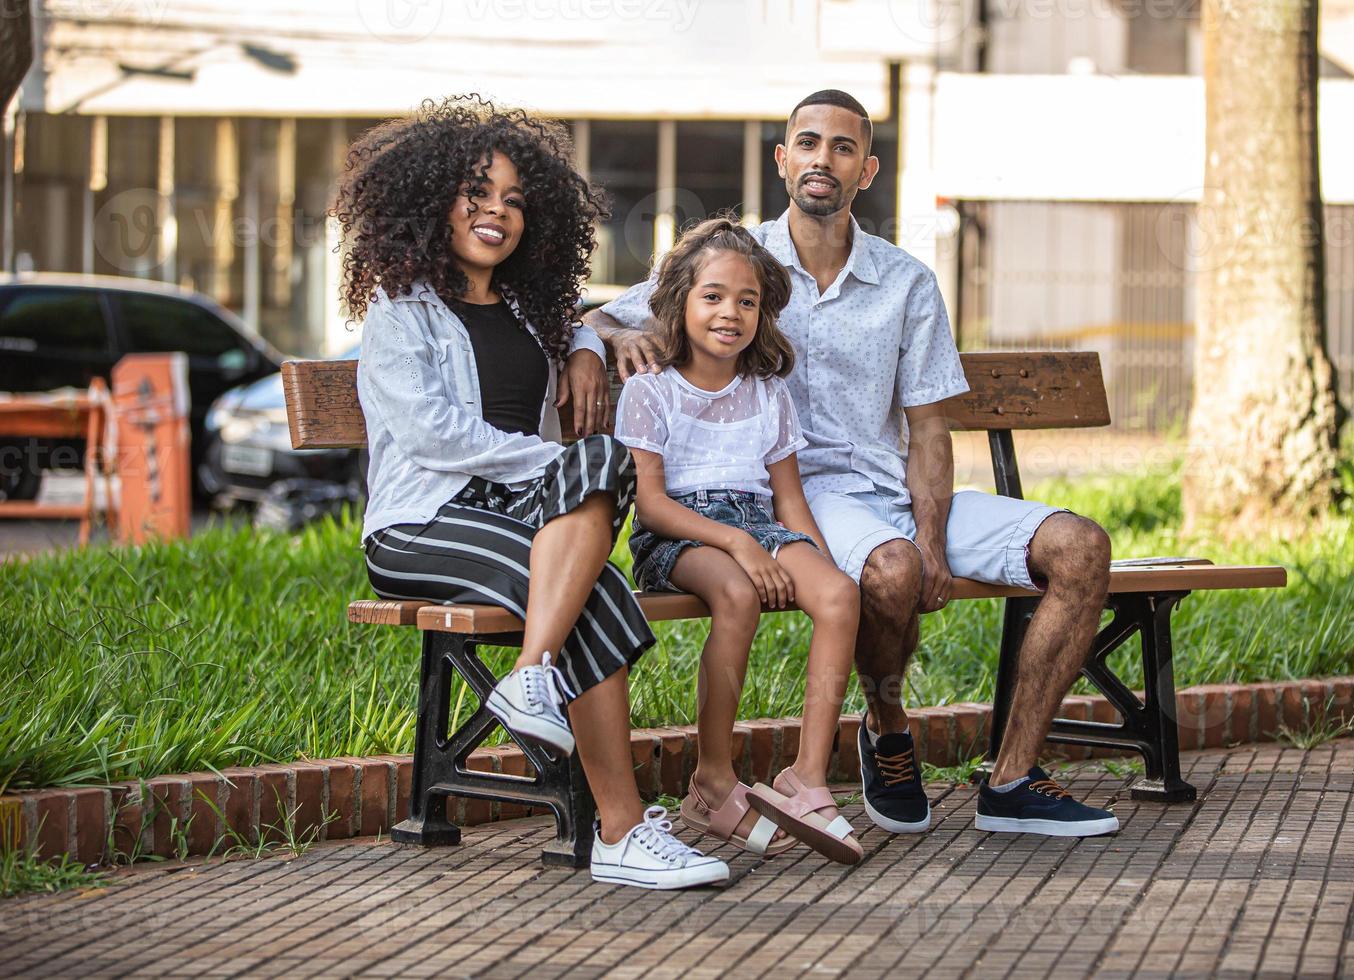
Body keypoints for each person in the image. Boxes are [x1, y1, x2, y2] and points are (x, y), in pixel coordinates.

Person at [585, 90, 1120, 839]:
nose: (822, 160)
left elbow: (930, 428)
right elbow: (605, 312)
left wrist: (934, 534)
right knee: (892, 570)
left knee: (1081, 547)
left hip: (897, 490)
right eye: (807, 143)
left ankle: (1012, 779)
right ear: (783, 160)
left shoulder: (906, 282)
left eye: (842, 148)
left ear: (865, 170)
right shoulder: (736, 265)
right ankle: (888, 727)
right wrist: (605, 342)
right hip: (807, 497)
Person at [338, 95, 729, 888]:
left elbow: (587, 326)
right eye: (477, 195)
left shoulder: (526, 308)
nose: (497, 213)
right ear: (429, 204)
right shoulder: (400, 312)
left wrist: (587, 345)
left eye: (514, 201)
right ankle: (619, 833)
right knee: (602, 591)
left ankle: (532, 675)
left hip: (516, 522)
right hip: (424, 524)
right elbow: (431, 435)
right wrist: (539, 462)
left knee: (600, 461)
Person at [615, 217, 863, 865]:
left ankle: (808, 778)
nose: (731, 313)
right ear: (679, 302)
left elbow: (788, 501)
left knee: (839, 596)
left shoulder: (766, 393)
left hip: (761, 523)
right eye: (714, 296)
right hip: (681, 535)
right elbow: (652, 503)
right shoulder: (650, 390)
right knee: (736, 593)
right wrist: (739, 547)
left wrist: (819, 568)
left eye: (747, 301)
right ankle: (712, 777)